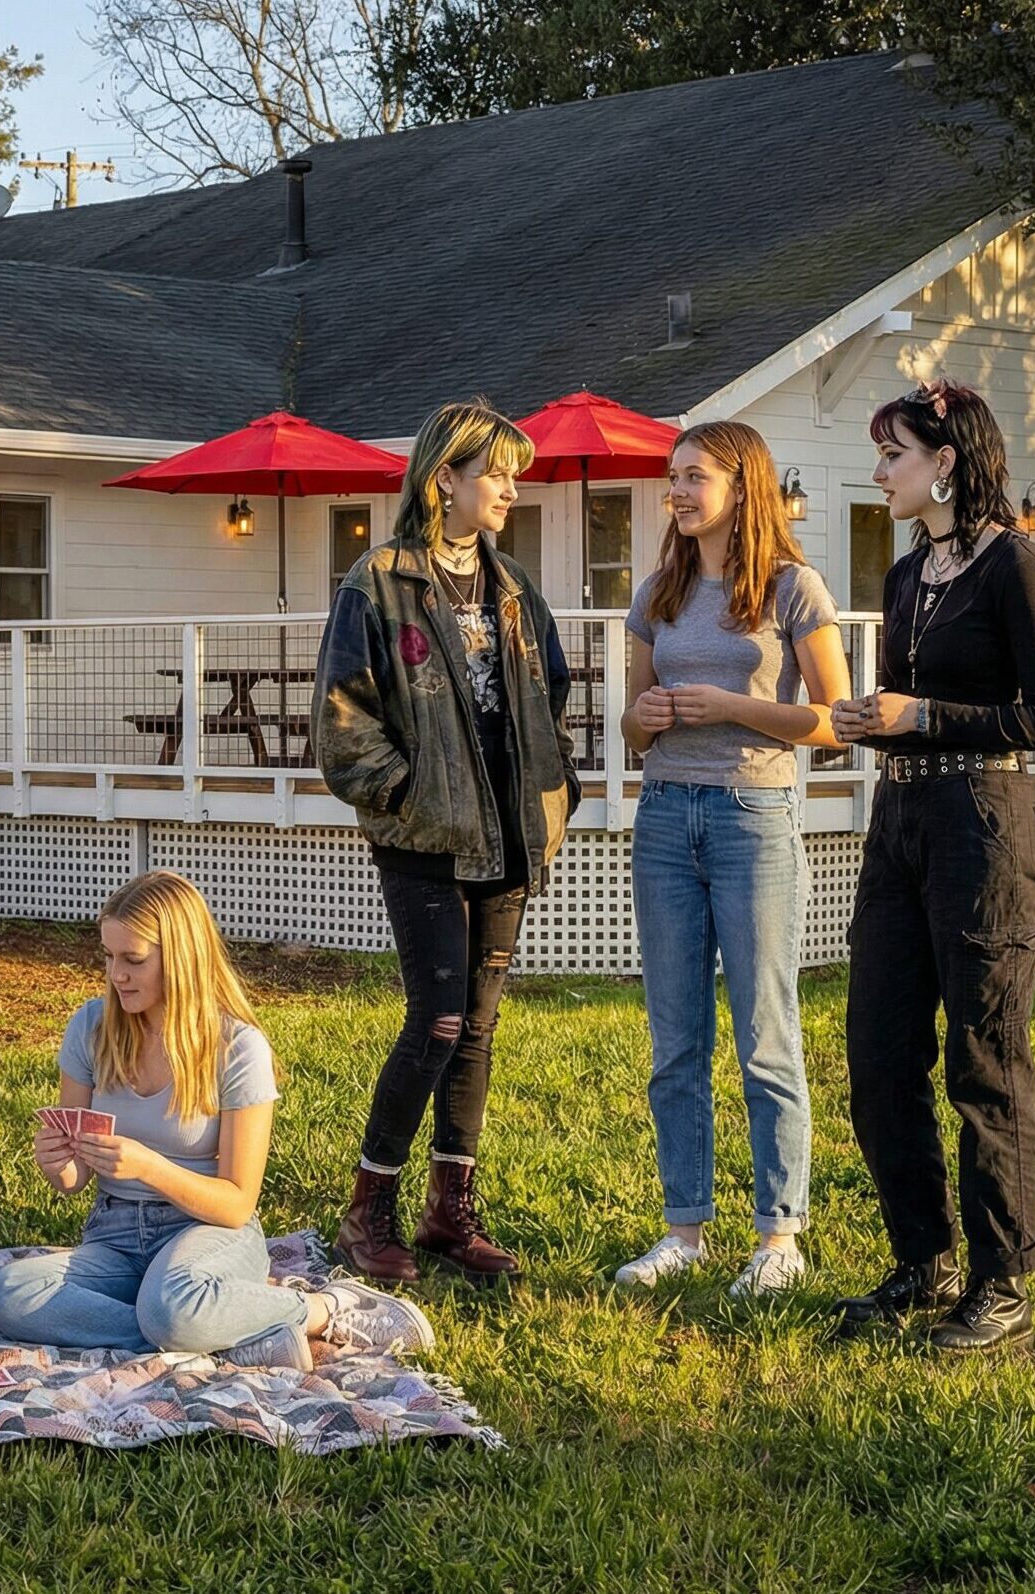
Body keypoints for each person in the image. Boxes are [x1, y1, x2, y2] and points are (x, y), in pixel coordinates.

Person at [310, 397, 582, 1285]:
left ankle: (447, 1215)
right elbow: (344, 716)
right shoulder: (378, 581)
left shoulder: (513, 590)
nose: (510, 487)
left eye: (511, 472)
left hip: (507, 836)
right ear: (445, 480)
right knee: (437, 1019)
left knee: (479, 1030)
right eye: (495, 472)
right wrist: (404, 795)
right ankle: (368, 1212)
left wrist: (557, 789)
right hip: (423, 838)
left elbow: (553, 692)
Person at [830, 378, 1035, 1352]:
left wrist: (922, 716)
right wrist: (871, 721)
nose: (878, 471)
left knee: (983, 1054)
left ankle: (1001, 1280)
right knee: (878, 1050)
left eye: (892, 452)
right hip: (900, 823)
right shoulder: (901, 577)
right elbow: (903, 707)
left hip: (985, 824)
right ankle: (920, 1259)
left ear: (944, 460)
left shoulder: (1016, 566)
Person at [0, 872, 433, 1369]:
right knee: (9, 1292)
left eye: (133, 960)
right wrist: (58, 1164)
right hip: (113, 1234)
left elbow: (237, 1204)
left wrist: (148, 1166)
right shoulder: (91, 1028)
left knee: (171, 1305)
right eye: (108, 957)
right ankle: (225, 1332)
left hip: (208, 1233)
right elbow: (76, 1178)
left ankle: (321, 1310)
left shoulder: (237, 1048)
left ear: (180, 960)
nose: (116, 975)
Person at [613, 421, 851, 1298]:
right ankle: (684, 1230)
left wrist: (731, 706)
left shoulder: (793, 588)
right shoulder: (660, 593)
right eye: (672, 478)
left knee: (765, 1034)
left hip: (756, 816)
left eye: (692, 477)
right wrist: (658, 716)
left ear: (741, 486)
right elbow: (629, 724)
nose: (675, 492)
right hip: (667, 817)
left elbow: (834, 721)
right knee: (675, 1040)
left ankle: (778, 1238)